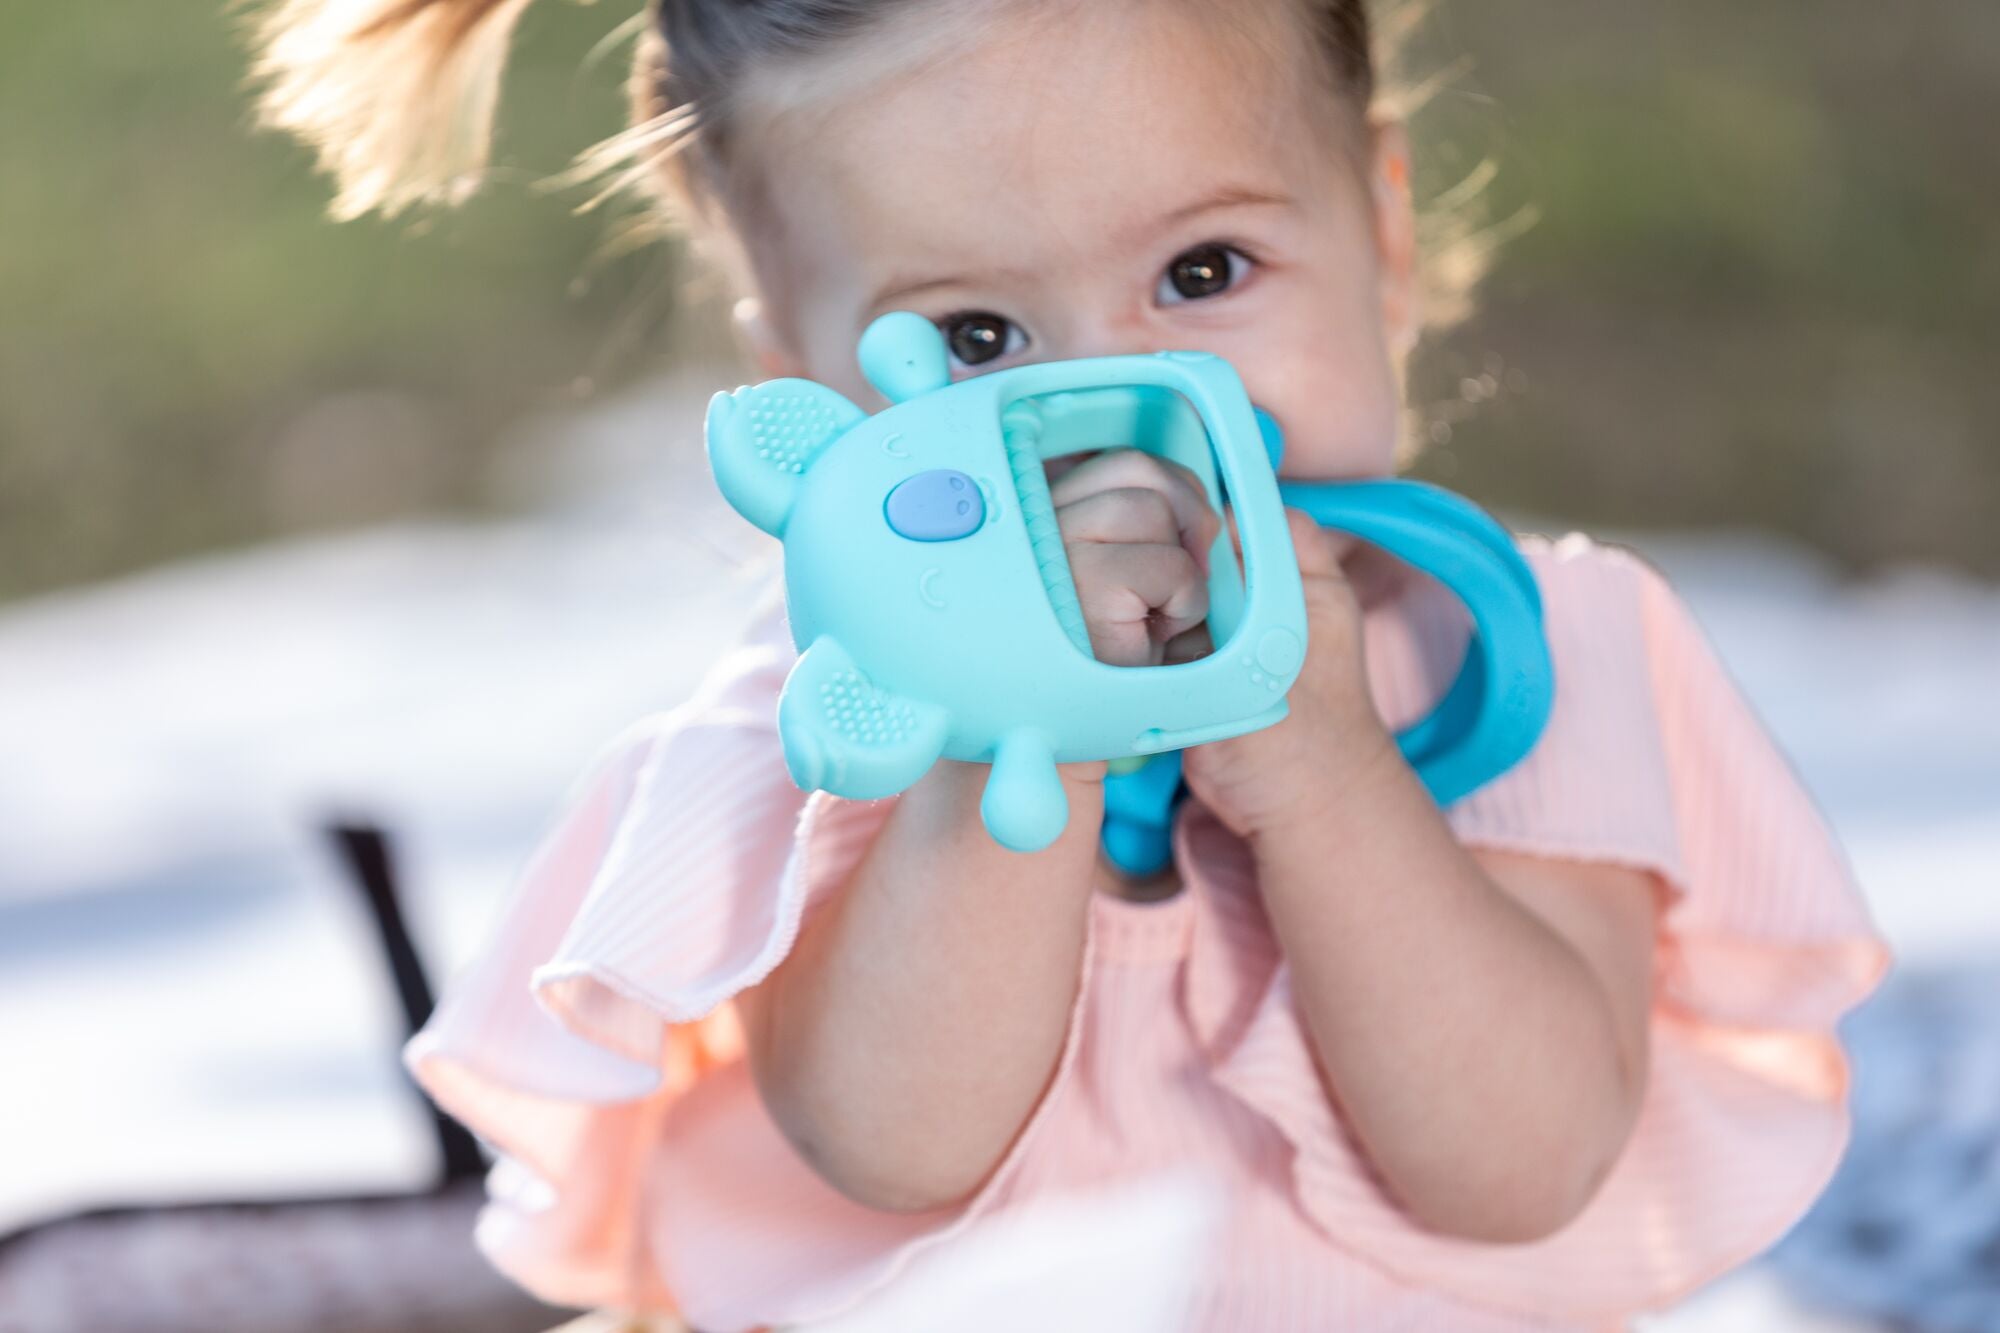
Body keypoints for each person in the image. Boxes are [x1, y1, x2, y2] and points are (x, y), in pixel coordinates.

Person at [249, 0, 1893, 1327]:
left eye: (1202, 275)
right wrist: (1027, 723)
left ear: (1380, 236)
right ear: (806, 380)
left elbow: (1523, 1166)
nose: (1110, 417)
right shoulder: (838, 721)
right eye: (976, 342)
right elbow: (892, 1146)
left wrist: (1323, 764)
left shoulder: (1519, 660)